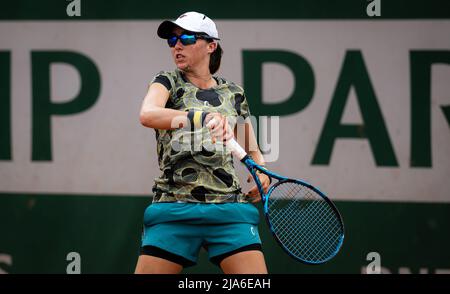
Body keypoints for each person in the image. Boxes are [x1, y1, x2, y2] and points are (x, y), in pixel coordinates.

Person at [135, 11, 270, 274]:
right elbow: (147, 114)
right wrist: (201, 116)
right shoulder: (167, 81)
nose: (177, 45)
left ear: (211, 45)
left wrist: (261, 170)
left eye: (186, 38)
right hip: (175, 206)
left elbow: (250, 146)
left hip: (229, 210)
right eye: (172, 40)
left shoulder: (234, 93)